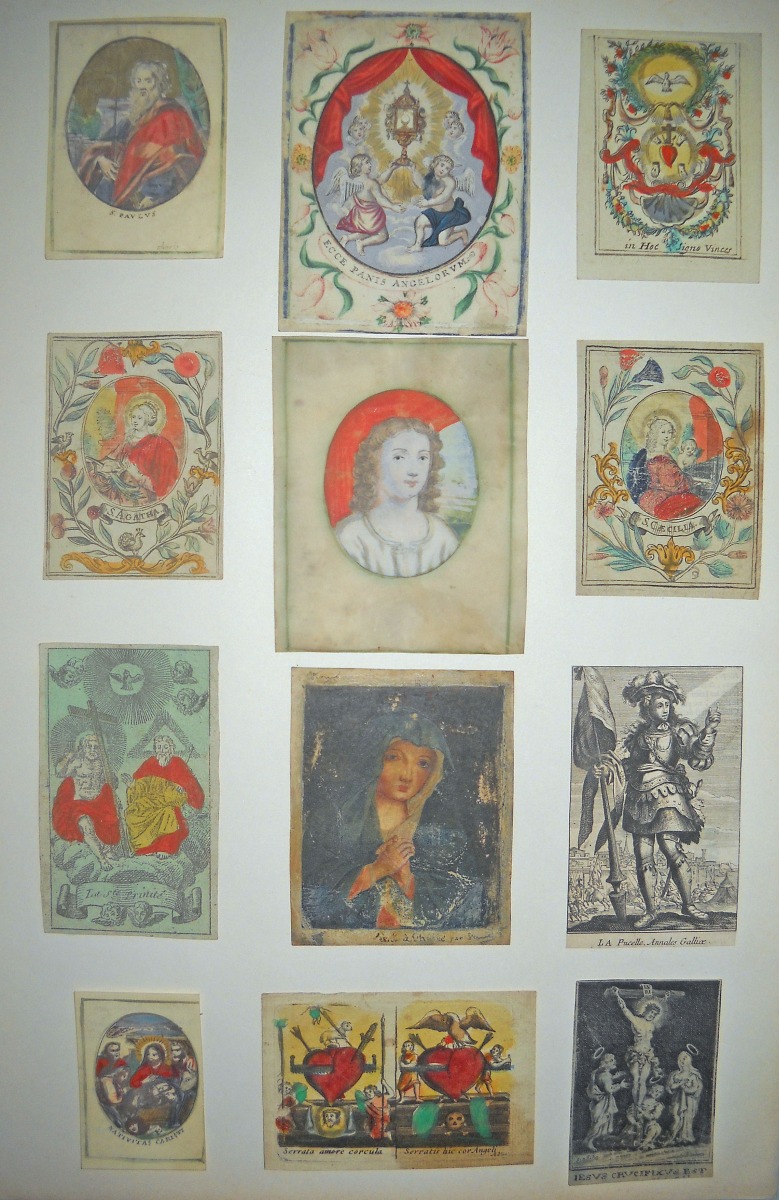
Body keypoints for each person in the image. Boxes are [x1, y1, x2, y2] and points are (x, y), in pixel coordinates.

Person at [302, 708, 484, 930]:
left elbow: (471, 902)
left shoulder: (446, 829)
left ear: (435, 772)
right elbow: (308, 892)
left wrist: (407, 880)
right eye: (394, 757)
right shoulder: (334, 817)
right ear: (375, 757)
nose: (407, 775)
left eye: (423, 763)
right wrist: (377, 869)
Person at [595, 671, 720, 929]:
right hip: (639, 799)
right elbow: (622, 764)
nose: (665, 709)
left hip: (668, 797)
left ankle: (688, 905)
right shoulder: (637, 738)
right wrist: (604, 770)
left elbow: (696, 755)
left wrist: (708, 730)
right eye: (659, 705)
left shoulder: (677, 732)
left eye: (667, 704)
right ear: (647, 706)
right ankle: (651, 911)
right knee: (643, 854)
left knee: (671, 848)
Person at [335, 416, 459, 578]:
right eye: (399, 457)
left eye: (422, 458)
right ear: (374, 462)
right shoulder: (352, 537)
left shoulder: (443, 538)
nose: (414, 470)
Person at [76, 60, 204, 210]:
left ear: (159, 83)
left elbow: (173, 159)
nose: (142, 86)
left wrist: (153, 195)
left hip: (154, 192)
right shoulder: (136, 115)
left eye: (148, 81)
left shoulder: (172, 114)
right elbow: (106, 142)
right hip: (121, 183)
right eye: (138, 81)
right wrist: (101, 159)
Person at [124, 734, 204, 856]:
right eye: (159, 747)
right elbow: (140, 785)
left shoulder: (178, 763)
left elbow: (190, 785)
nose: (162, 750)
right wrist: (132, 785)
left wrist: (181, 788)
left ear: (171, 749)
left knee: (168, 813)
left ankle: (164, 848)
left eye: (165, 747)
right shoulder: (149, 763)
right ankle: (146, 849)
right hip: (150, 802)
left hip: (170, 802)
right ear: (155, 749)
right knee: (132, 813)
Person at [52, 731, 121, 867]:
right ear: (83, 747)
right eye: (89, 746)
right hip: (79, 804)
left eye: (96, 747)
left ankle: (107, 850)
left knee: (110, 822)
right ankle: (102, 860)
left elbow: (113, 782)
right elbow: (60, 773)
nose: (93, 750)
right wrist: (67, 758)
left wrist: (112, 780)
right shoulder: (77, 762)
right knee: (87, 826)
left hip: (97, 804)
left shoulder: (102, 764)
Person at [626, 414, 701, 519]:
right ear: (655, 434)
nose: (667, 436)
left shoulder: (665, 453)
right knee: (695, 501)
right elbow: (673, 484)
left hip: (661, 494)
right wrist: (691, 481)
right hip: (660, 497)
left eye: (669, 432)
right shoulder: (658, 457)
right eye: (663, 432)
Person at [609, 988, 663, 1116]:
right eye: (651, 1012)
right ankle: (636, 1105)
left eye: (655, 1014)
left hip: (647, 1055)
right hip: (636, 1054)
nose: (652, 1015)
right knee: (636, 1079)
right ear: (646, 1011)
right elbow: (625, 1010)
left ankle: (639, 1106)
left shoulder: (652, 1025)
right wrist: (617, 995)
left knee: (643, 1081)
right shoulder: (636, 1020)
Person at [335, 154, 405, 254]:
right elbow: (380, 199)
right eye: (367, 163)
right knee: (383, 236)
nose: (370, 165)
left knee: (367, 231)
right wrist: (392, 206)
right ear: (359, 166)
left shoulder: (354, 181)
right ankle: (362, 243)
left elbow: (380, 180)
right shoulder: (371, 183)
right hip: (372, 214)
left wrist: (391, 169)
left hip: (360, 214)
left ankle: (347, 237)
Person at [408, 155, 471, 251]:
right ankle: (417, 245)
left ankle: (461, 233)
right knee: (419, 222)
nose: (443, 169)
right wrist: (413, 170)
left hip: (448, 215)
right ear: (435, 164)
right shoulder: (430, 177)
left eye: (447, 168)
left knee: (443, 241)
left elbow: (443, 198)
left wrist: (427, 203)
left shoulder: (450, 181)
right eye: (442, 165)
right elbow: (421, 183)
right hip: (434, 213)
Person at [585, 1052, 630, 1150]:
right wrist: (620, 1085)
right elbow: (609, 1089)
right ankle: (589, 1141)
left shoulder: (600, 1073)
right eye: (611, 1060)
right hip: (602, 1103)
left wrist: (615, 1077)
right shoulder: (606, 1076)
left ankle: (596, 1140)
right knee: (599, 1122)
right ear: (606, 1063)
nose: (614, 1062)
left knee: (602, 1121)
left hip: (601, 1102)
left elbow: (605, 1081)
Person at [666, 1050, 703, 1145]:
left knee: (687, 1117)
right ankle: (674, 1136)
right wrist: (680, 1085)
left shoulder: (693, 1075)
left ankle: (686, 1137)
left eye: (685, 1058)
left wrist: (685, 1089)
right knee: (677, 1117)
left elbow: (695, 1088)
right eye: (680, 1059)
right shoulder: (675, 1074)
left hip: (689, 1100)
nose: (682, 1061)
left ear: (689, 1060)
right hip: (677, 1100)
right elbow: (670, 1086)